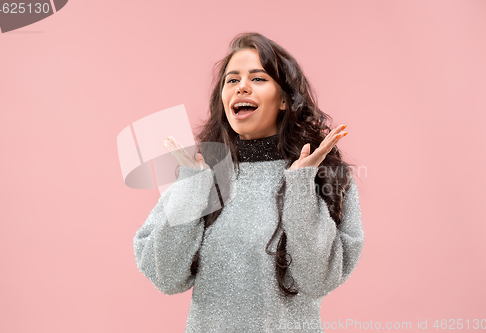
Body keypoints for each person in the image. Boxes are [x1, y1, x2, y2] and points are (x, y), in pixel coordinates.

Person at [133, 32, 364, 333]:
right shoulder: (202, 175)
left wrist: (300, 184)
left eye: (258, 79)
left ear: (283, 99)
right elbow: (166, 276)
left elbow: (316, 280)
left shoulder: (323, 176)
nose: (242, 86)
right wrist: (192, 183)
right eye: (232, 80)